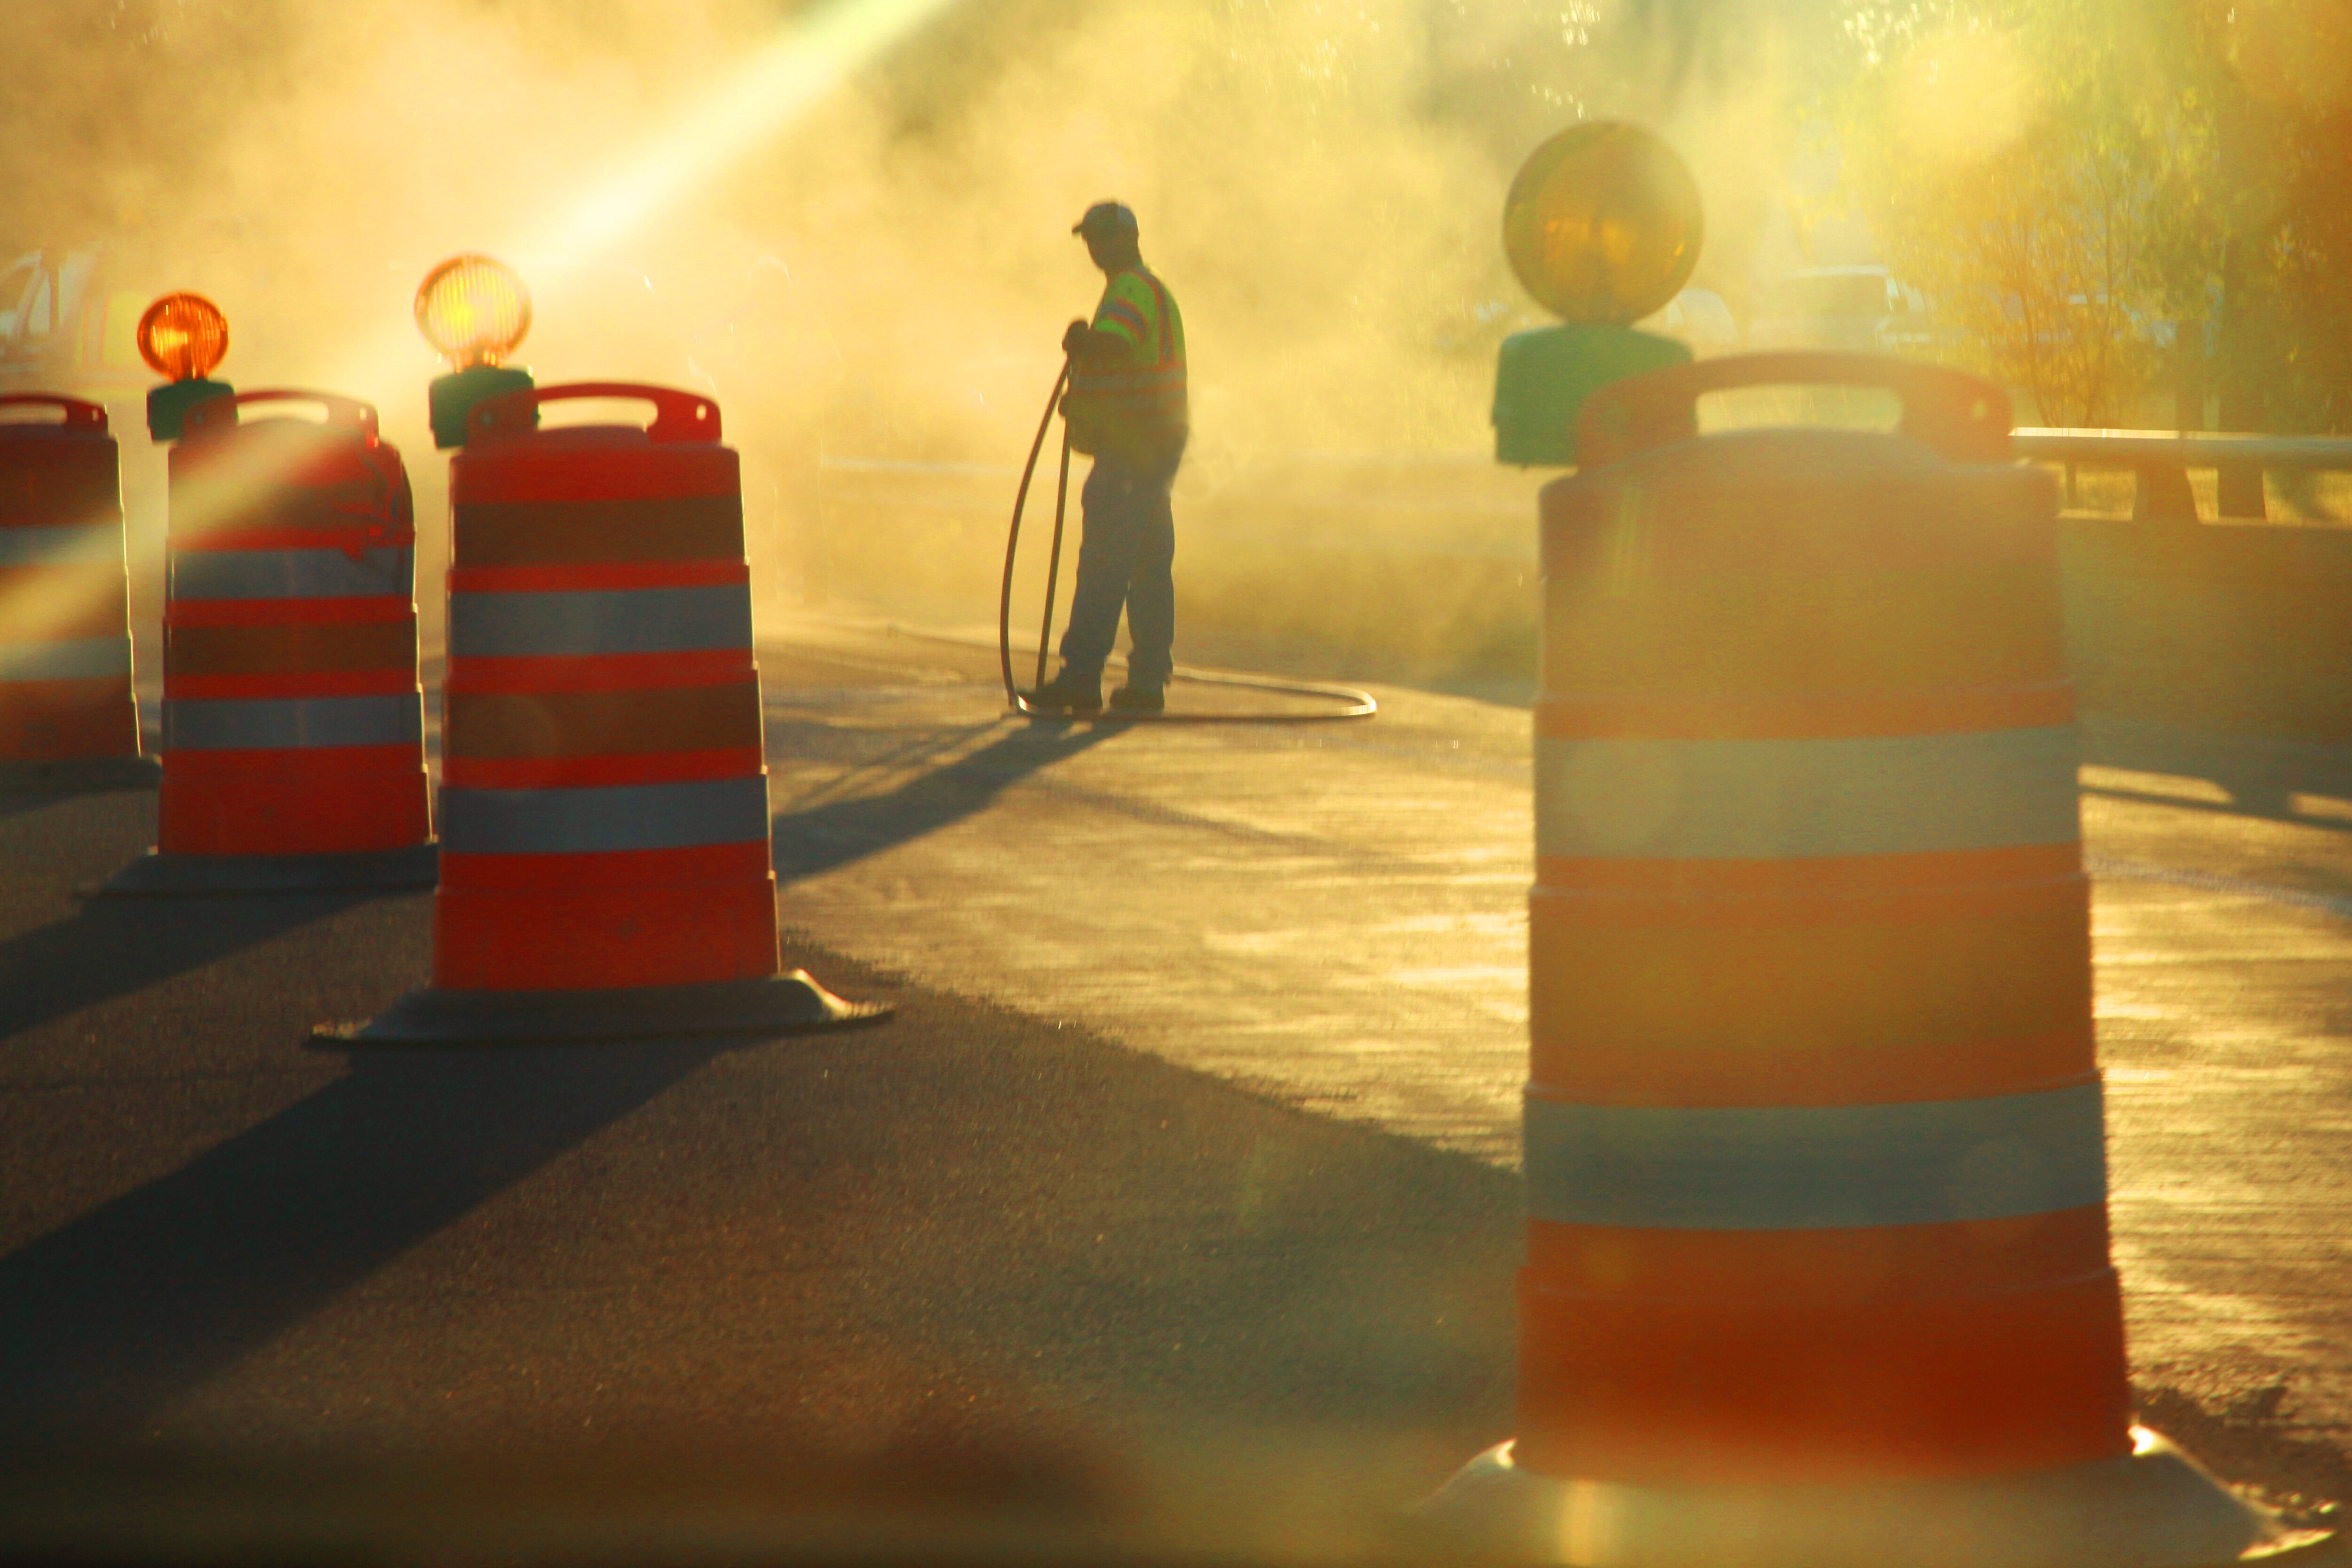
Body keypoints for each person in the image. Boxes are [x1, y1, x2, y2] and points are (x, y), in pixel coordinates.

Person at [1021, 201, 1188, 716]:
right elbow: (1126, 370)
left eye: (1101, 239)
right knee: (1147, 565)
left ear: (1127, 239)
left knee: (1104, 564)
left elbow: (1114, 348)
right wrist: (1086, 401)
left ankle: (1080, 679)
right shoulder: (1149, 291)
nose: (1094, 249)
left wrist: (1083, 343)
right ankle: (1146, 684)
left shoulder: (1130, 291)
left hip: (1132, 455)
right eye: (1089, 240)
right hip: (1152, 449)